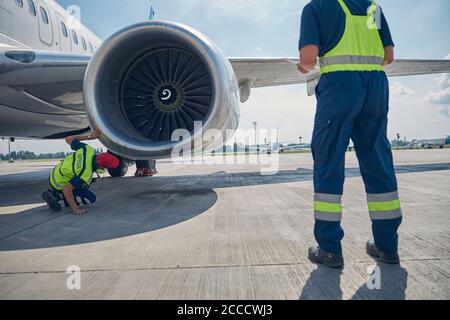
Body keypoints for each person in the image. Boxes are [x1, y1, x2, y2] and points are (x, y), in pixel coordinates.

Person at [298, 0, 402, 268]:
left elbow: (309, 58)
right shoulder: (374, 9)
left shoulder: (316, 8)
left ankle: (330, 249)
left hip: (339, 88)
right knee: (378, 162)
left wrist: (303, 67)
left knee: (329, 163)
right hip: (376, 87)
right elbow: (388, 56)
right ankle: (387, 247)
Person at [41, 129, 120, 215]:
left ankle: (67, 199)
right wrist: (76, 209)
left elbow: (68, 139)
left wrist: (89, 137)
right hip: (58, 183)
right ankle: (55, 195)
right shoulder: (85, 173)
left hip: (56, 172)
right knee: (91, 198)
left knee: (81, 190)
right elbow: (67, 189)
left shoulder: (87, 150)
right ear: (101, 166)